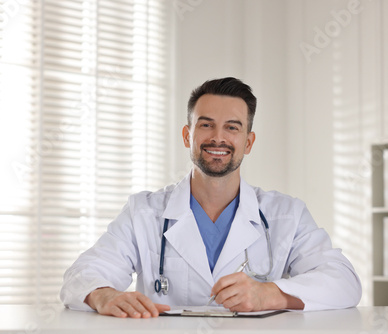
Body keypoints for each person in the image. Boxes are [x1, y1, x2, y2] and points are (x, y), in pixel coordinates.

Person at [60, 77, 362, 318]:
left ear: (248, 141)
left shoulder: (287, 214)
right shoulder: (144, 212)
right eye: (206, 125)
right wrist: (104, 294)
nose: (218, 137)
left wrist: (268, 293)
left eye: (232, 127)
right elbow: (82, 274)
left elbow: (344, 282)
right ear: (187, 135)